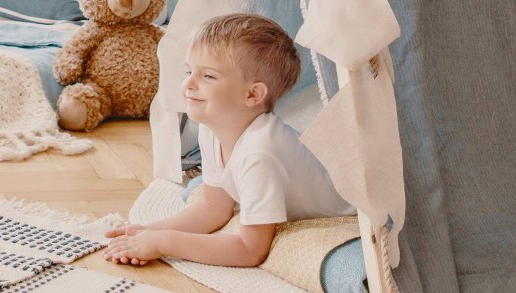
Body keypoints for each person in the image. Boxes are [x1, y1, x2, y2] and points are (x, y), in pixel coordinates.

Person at [104, 13, 354, 267]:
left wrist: (165, 243)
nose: (188, 83)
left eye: (208, 76)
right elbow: (214, 207)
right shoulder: (211, 129)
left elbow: (249, 250)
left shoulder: (260, 155)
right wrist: (147, 232)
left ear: (253, 94)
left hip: (351, 201)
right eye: (189, 71)